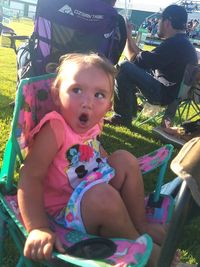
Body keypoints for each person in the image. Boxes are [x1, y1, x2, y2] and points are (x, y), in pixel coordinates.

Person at [17, 53, 173, 266]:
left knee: (125, 159)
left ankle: (140, 224)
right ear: (56, 94)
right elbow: (30, 175)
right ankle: (144, 250)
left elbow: (94, 153)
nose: (87, 103)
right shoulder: (55, 128)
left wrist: (109, 167)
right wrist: (38, 227)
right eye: (77, 90)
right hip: (66, 211)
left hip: (91, 187)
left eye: (99, 95)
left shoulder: (94, 124)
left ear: (109, 105)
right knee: (103, 197)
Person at [105, 4, 198, 127]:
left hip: (164, 94)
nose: (158, 23)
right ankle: (128, 110)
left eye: (160, 20)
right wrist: (130, 37)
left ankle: (122, 116)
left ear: (167, 23)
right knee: (130, 67)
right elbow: (141, 56)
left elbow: (134, 60)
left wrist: (127, 35)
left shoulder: (173, 44)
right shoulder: (182, 43)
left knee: (124, 66)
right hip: (173, 93)